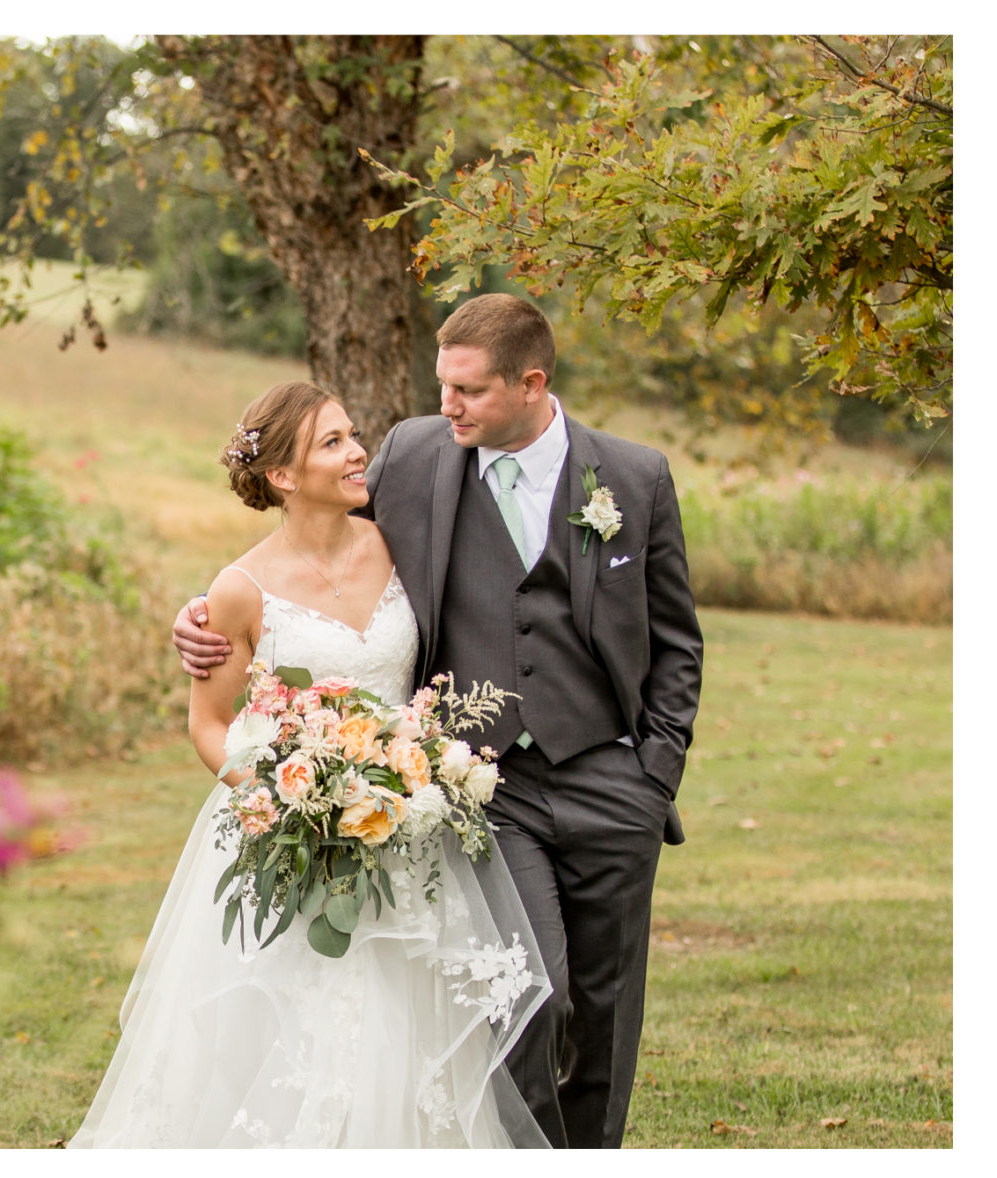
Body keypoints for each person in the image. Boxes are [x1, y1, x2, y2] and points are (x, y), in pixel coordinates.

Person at [172, 294, 704, 1149]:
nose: (445, 406)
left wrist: (655, 771)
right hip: (485, 786)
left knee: (605, 1006)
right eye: (441, 386)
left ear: (531, 384)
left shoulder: (633, 479)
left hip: (613, 779)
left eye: (469, 390)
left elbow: (678, 640)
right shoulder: (417, 455)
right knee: (530, 992)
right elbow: (306, 552)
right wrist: (200, 616)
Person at [69, 381, 553, 1148]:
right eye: (332, 442)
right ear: (283, 477)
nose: (358, 451)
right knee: (298, 1036)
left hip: (407, 835)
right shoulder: (237, 590)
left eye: (352, 435)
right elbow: (211, 725)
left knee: (407, 1036)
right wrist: (292, 803)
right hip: (297, 844)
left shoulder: (400, 543)